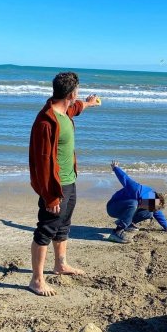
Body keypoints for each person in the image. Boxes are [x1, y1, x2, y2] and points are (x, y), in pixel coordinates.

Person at [28, 71, 100, 296]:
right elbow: (42, 163)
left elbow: (75, 108)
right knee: (46, 229)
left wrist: (88, 103)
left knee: (64, 225)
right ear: (71, 93)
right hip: (55, 186)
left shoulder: (65, 109)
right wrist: (50, 196)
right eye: (77, 92)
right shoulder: (46, 122)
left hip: (70, 180)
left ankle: (60, 264)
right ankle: (36, 280)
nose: (77, 96)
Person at [106, 161, 167, 243]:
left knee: (149, 213)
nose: (150, 207)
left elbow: (156, 212)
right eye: (150, 205)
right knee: (134, 203)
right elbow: (125, 178)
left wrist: (166, 227)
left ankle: (127, 223)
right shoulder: (136, 189)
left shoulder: (151, 197)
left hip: (126, 208)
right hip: (113, 207)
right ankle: (117, 232)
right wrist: (116, 168)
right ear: (149, 199)